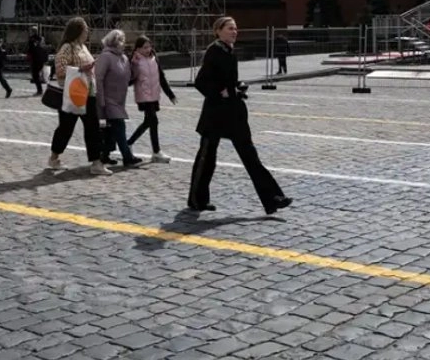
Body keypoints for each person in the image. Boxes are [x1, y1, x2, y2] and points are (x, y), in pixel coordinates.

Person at [187, 16, 292, 214]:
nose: (234, 32)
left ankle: (273, 198)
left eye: (235, 28)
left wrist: (237, 86)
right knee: (207, 157)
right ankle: (196, 200)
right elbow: (201, 82)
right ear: (218, 31)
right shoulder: (214, 51)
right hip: (215, 114)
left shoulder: (230, 51)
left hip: (234, 113)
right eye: (230, 28)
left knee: (250, 155)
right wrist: (221, 92)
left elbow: (227, 79)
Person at [47, 17, 109, 176]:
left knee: (93, 128)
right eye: (85, 29)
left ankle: (96, 162)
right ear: (78, 31)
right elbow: (60, 69)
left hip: (88, 93)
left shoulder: (83, 47)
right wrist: (82, 69)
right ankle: (54, 157)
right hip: (72, 95)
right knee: (65, 128)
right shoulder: (67, 47)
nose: (87, 32)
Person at [95, 29, 142, 168]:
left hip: (119, 99)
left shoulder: (124, 58)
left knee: (111, 130)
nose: (124, 43)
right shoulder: (105, 57)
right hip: (108, 99)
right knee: (119, 126)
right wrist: (101, 100)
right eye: (122, 40)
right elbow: (98, 78)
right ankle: (127, 156)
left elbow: (130, 77)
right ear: (115, 42)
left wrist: (135, 64)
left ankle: (104, 155)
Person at [127, 35, 176, 164]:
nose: (148, 49)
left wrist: (170, 94)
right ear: (138, 48)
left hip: (154, 95)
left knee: (148, 122)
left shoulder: (154, 58)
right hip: (143, 95)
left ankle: (128, 143)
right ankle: (156, 151)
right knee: (153, 121)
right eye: (145, 47)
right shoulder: (135, 60)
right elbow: (130, 80)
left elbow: (161, 77)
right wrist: (133, 69)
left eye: (149, 46)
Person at [26, 26, 48, 95]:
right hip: (41, 59)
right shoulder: (41, 39)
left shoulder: (31, 39)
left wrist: (28, 57)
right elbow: (44, 48)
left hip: (35, 59)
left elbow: (30, 49)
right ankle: (40, 90)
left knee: (35, 75)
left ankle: (39, 90)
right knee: (37, 74)